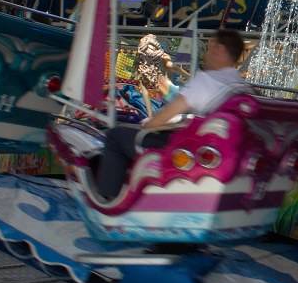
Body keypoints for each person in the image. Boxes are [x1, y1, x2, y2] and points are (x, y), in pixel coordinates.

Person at [95, 29, 247, 199]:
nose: (206, 55)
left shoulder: (207, 80)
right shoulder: (242, 86)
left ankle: (108, 199)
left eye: (209, 48)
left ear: (219, 49)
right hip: (222, 154)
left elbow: (165, 115)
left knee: (117, 135)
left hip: (190, 154)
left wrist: (147, 124)